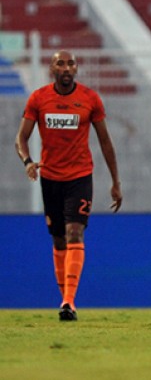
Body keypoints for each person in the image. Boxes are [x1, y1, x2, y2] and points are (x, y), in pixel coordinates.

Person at [15, 50, 123, 321]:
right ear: (52, 68)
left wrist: (115, 182)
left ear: (76, 69)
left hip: (79, 177)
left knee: (75, 232)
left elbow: (106, 142)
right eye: (60, 63)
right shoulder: (39, 99)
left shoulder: (90, 99)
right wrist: (28, 161)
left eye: (70, 63)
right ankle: (65, 300)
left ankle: (68, 302)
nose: (65, 67)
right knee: (59, 239)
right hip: (50, 178)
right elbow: (21, 138)